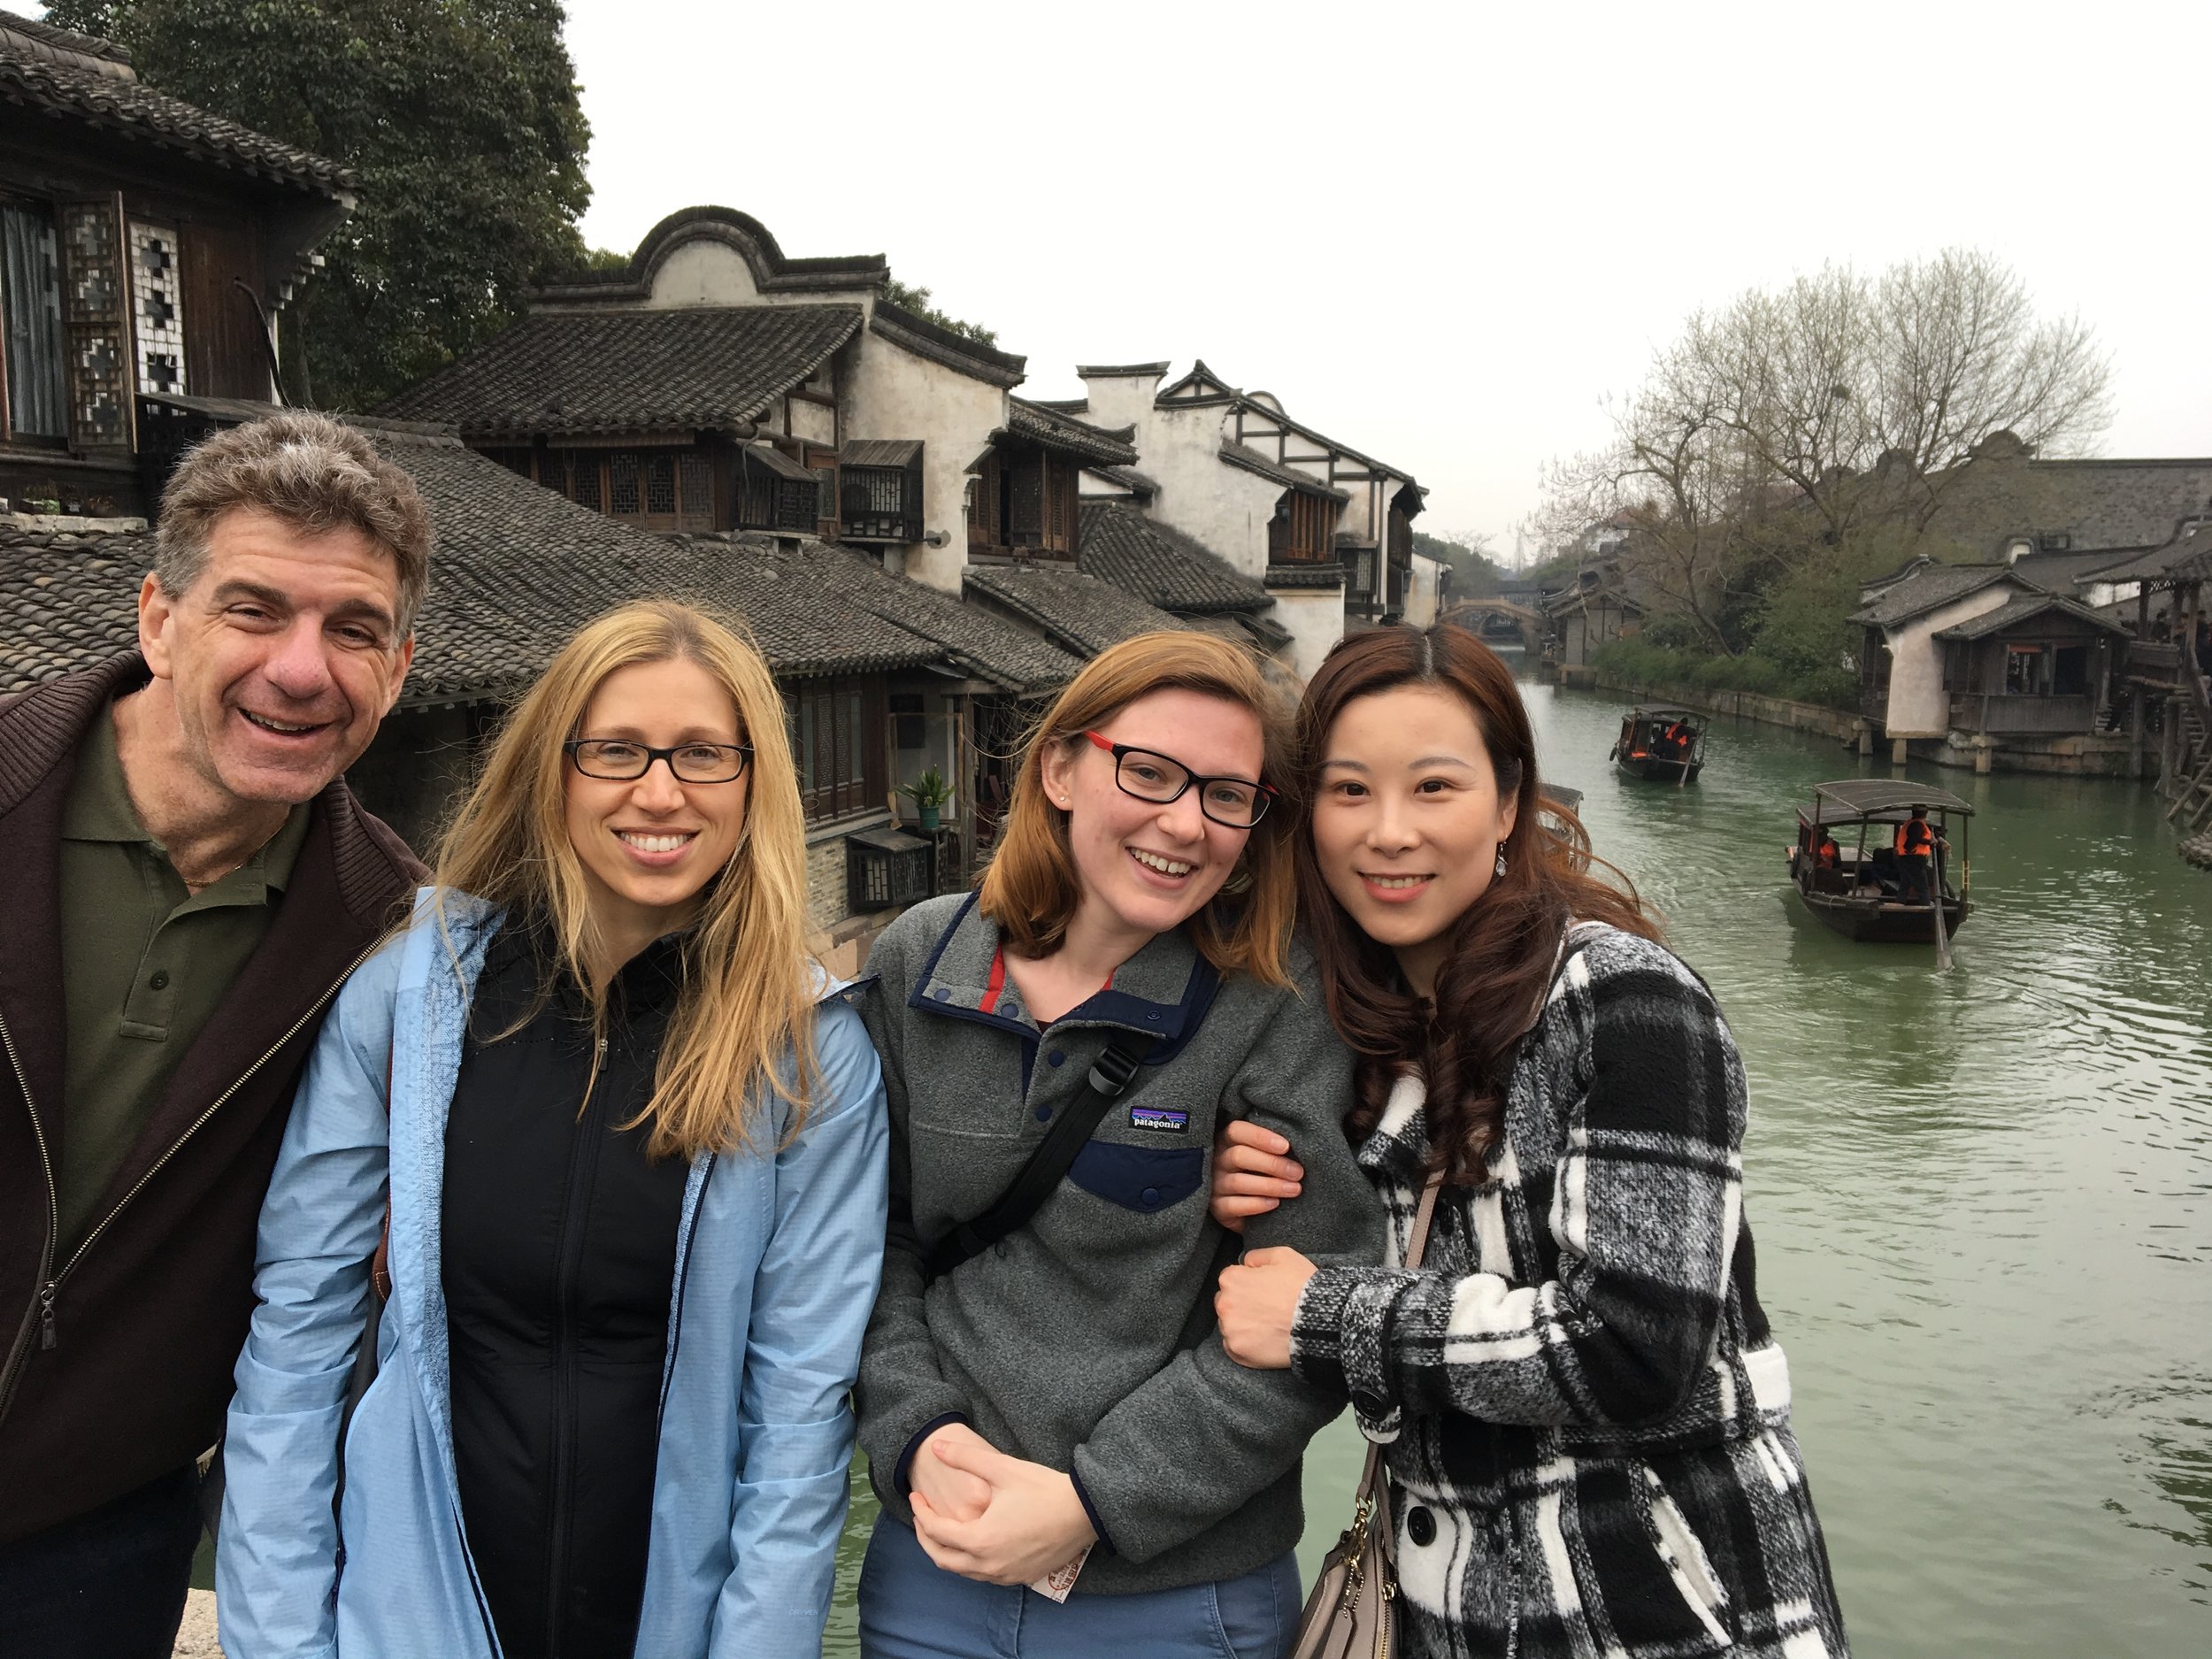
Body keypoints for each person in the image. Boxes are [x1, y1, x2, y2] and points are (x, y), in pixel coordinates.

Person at [216, 602, 887, 1658]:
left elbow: (797, 1412)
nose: (658, 791)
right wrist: (280, 1634)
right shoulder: (409, 999)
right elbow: (297, 1335)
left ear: (755, 781)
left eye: (703, 754)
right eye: (615, 750)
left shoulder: (804, 1052)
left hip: (665, 1618)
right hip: (410, 1611)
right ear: (552, 768)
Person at [1210, 624, 1849, 1659]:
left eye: (1433, 788)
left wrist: (1322, 1312)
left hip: (1657, 1614)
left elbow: (1638, 1348)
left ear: (1507, 803)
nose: (1387, 832)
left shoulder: (1623, 999)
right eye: (1346, 792)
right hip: (1450, 1610)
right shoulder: (1356, 1042)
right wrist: (1259, 1191)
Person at [853, 631, 1383, 1659]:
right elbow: (873, 1241)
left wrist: (1094, 1501)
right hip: (935, 1567)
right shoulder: (921, 960)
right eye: (1147, 773)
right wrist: (917, 1435)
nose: (1183, 824)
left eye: (1227, 796)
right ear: (1059, 767)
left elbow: (1305, 1316)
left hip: (1177, 1601)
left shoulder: (1275, 1001)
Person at [0, 413, 426, 1658]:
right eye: (253, 610)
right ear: (157, 618)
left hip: (91, 1535)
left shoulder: (385, 938)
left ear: (400, 666)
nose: (302, 669)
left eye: (352, 629)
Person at [1894, 807, 1942, 904]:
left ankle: (1899, 904)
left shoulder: (1912, 823)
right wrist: (1929, 842)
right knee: (1922, 887)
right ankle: (1926, 907)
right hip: (1914, 859)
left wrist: (1939, 840)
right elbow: (1913, 840)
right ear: (1926, 814)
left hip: (1905, 858)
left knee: (1905, 884)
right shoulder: (1917, 825)